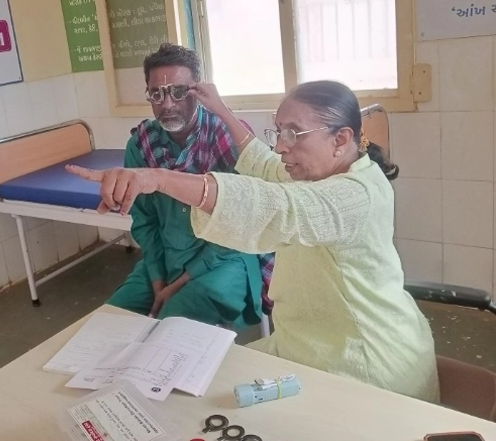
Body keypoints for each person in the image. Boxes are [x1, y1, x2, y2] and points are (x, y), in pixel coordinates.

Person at [68, 79, 439, 402]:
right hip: (309, 342)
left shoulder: (355, 195)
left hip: (364, 362)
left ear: (340, 139)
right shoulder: (320, 171)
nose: (280, 147)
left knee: (213, 389)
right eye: (278, 132)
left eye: (293, 134)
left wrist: (157, 178)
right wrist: (221, 108)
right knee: (208, 380)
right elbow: (264, 164)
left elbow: (271, 206)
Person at [109, 43, 275, 329]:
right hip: (166, 259)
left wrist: (177, 285)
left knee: (172, 324)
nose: (167, 104)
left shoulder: (227, 137)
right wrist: (158, 280)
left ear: (196, 91)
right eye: (157, 94)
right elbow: (145, 222)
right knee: (112, 319)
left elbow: (239, 224)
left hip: (225, 258)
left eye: (178, 92)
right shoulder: (141, 144)